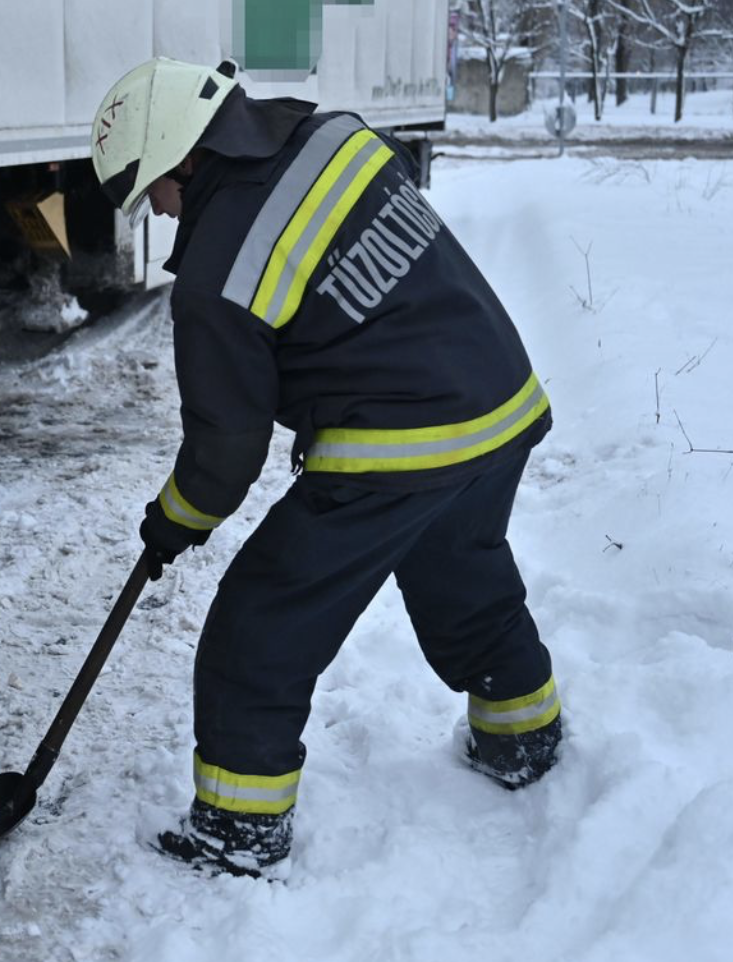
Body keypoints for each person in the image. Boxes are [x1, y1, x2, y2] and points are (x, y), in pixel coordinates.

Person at [90, 58, 563, 878]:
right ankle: (524, 736)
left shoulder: (216, 280)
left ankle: (239, 829)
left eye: (151, 189)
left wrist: (175, 519)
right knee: (464, 579)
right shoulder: (335, 135)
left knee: (259, 630)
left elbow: (224, 449)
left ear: (181, 156)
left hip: (398, 445)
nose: (158, 209)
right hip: (500, 400)